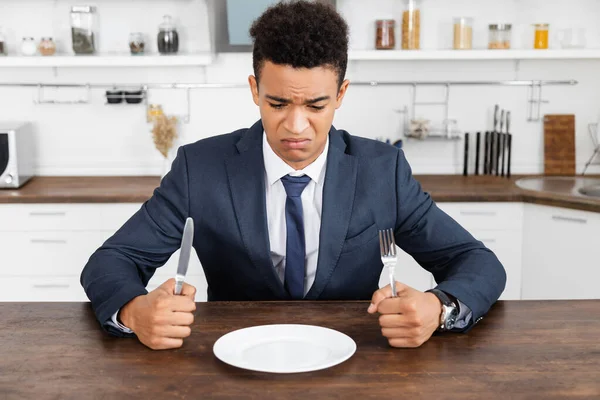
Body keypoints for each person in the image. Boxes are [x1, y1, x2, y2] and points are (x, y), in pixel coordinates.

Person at [81, 1, 506, 350]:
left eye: (316, 106)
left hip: (356, 363)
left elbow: (477, 263)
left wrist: (439, 308)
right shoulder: (200, 169)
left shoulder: (383, 172)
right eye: (278, 103)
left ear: (341, 94)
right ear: (254, 91)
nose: (296, 126)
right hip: (233, 361)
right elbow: (111, 260)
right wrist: (135, 311)